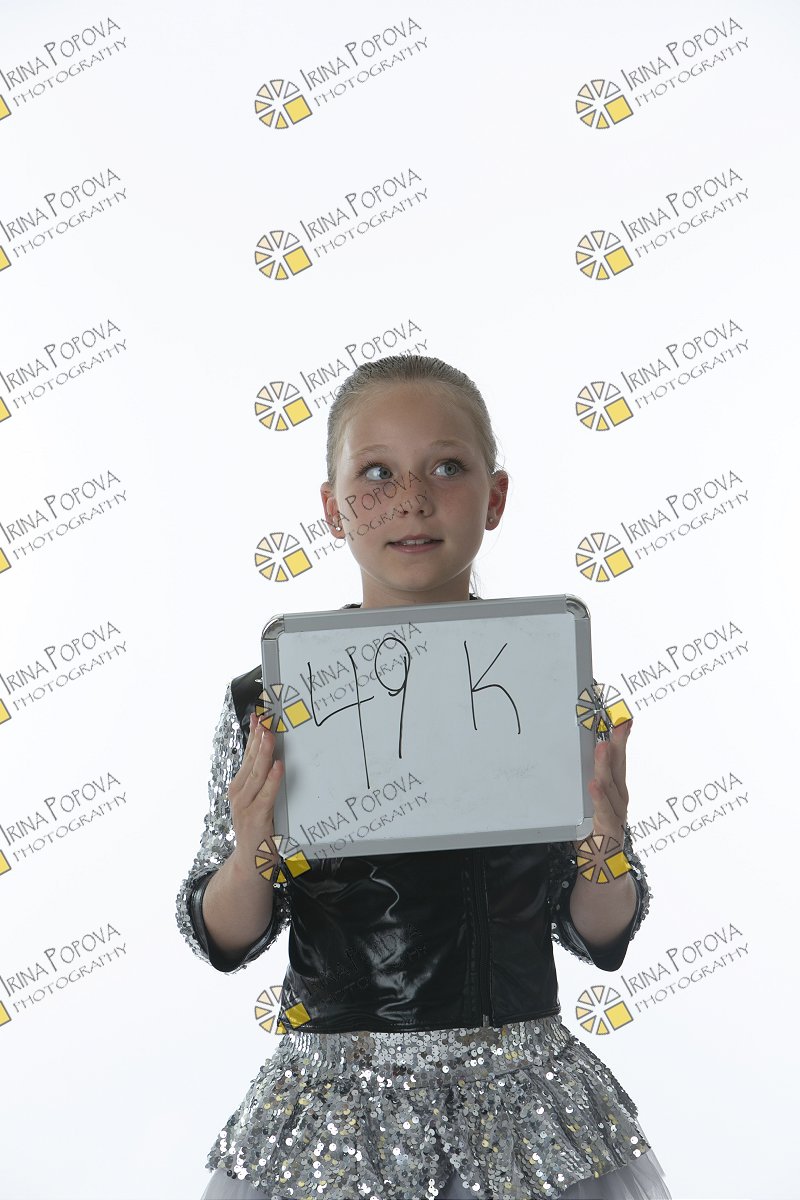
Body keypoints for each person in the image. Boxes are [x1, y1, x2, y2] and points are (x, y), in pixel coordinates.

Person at [176, 355, 672, 1200]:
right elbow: (223, 938)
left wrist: (604, 843)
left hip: (524, 1108)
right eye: (377, 473)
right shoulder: (276, 701)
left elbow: (600, 935)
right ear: (333, 508)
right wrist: (252, 849)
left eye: (446, 467)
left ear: (495, 497)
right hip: (337, 1120)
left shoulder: (549, 682)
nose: (410, 499)